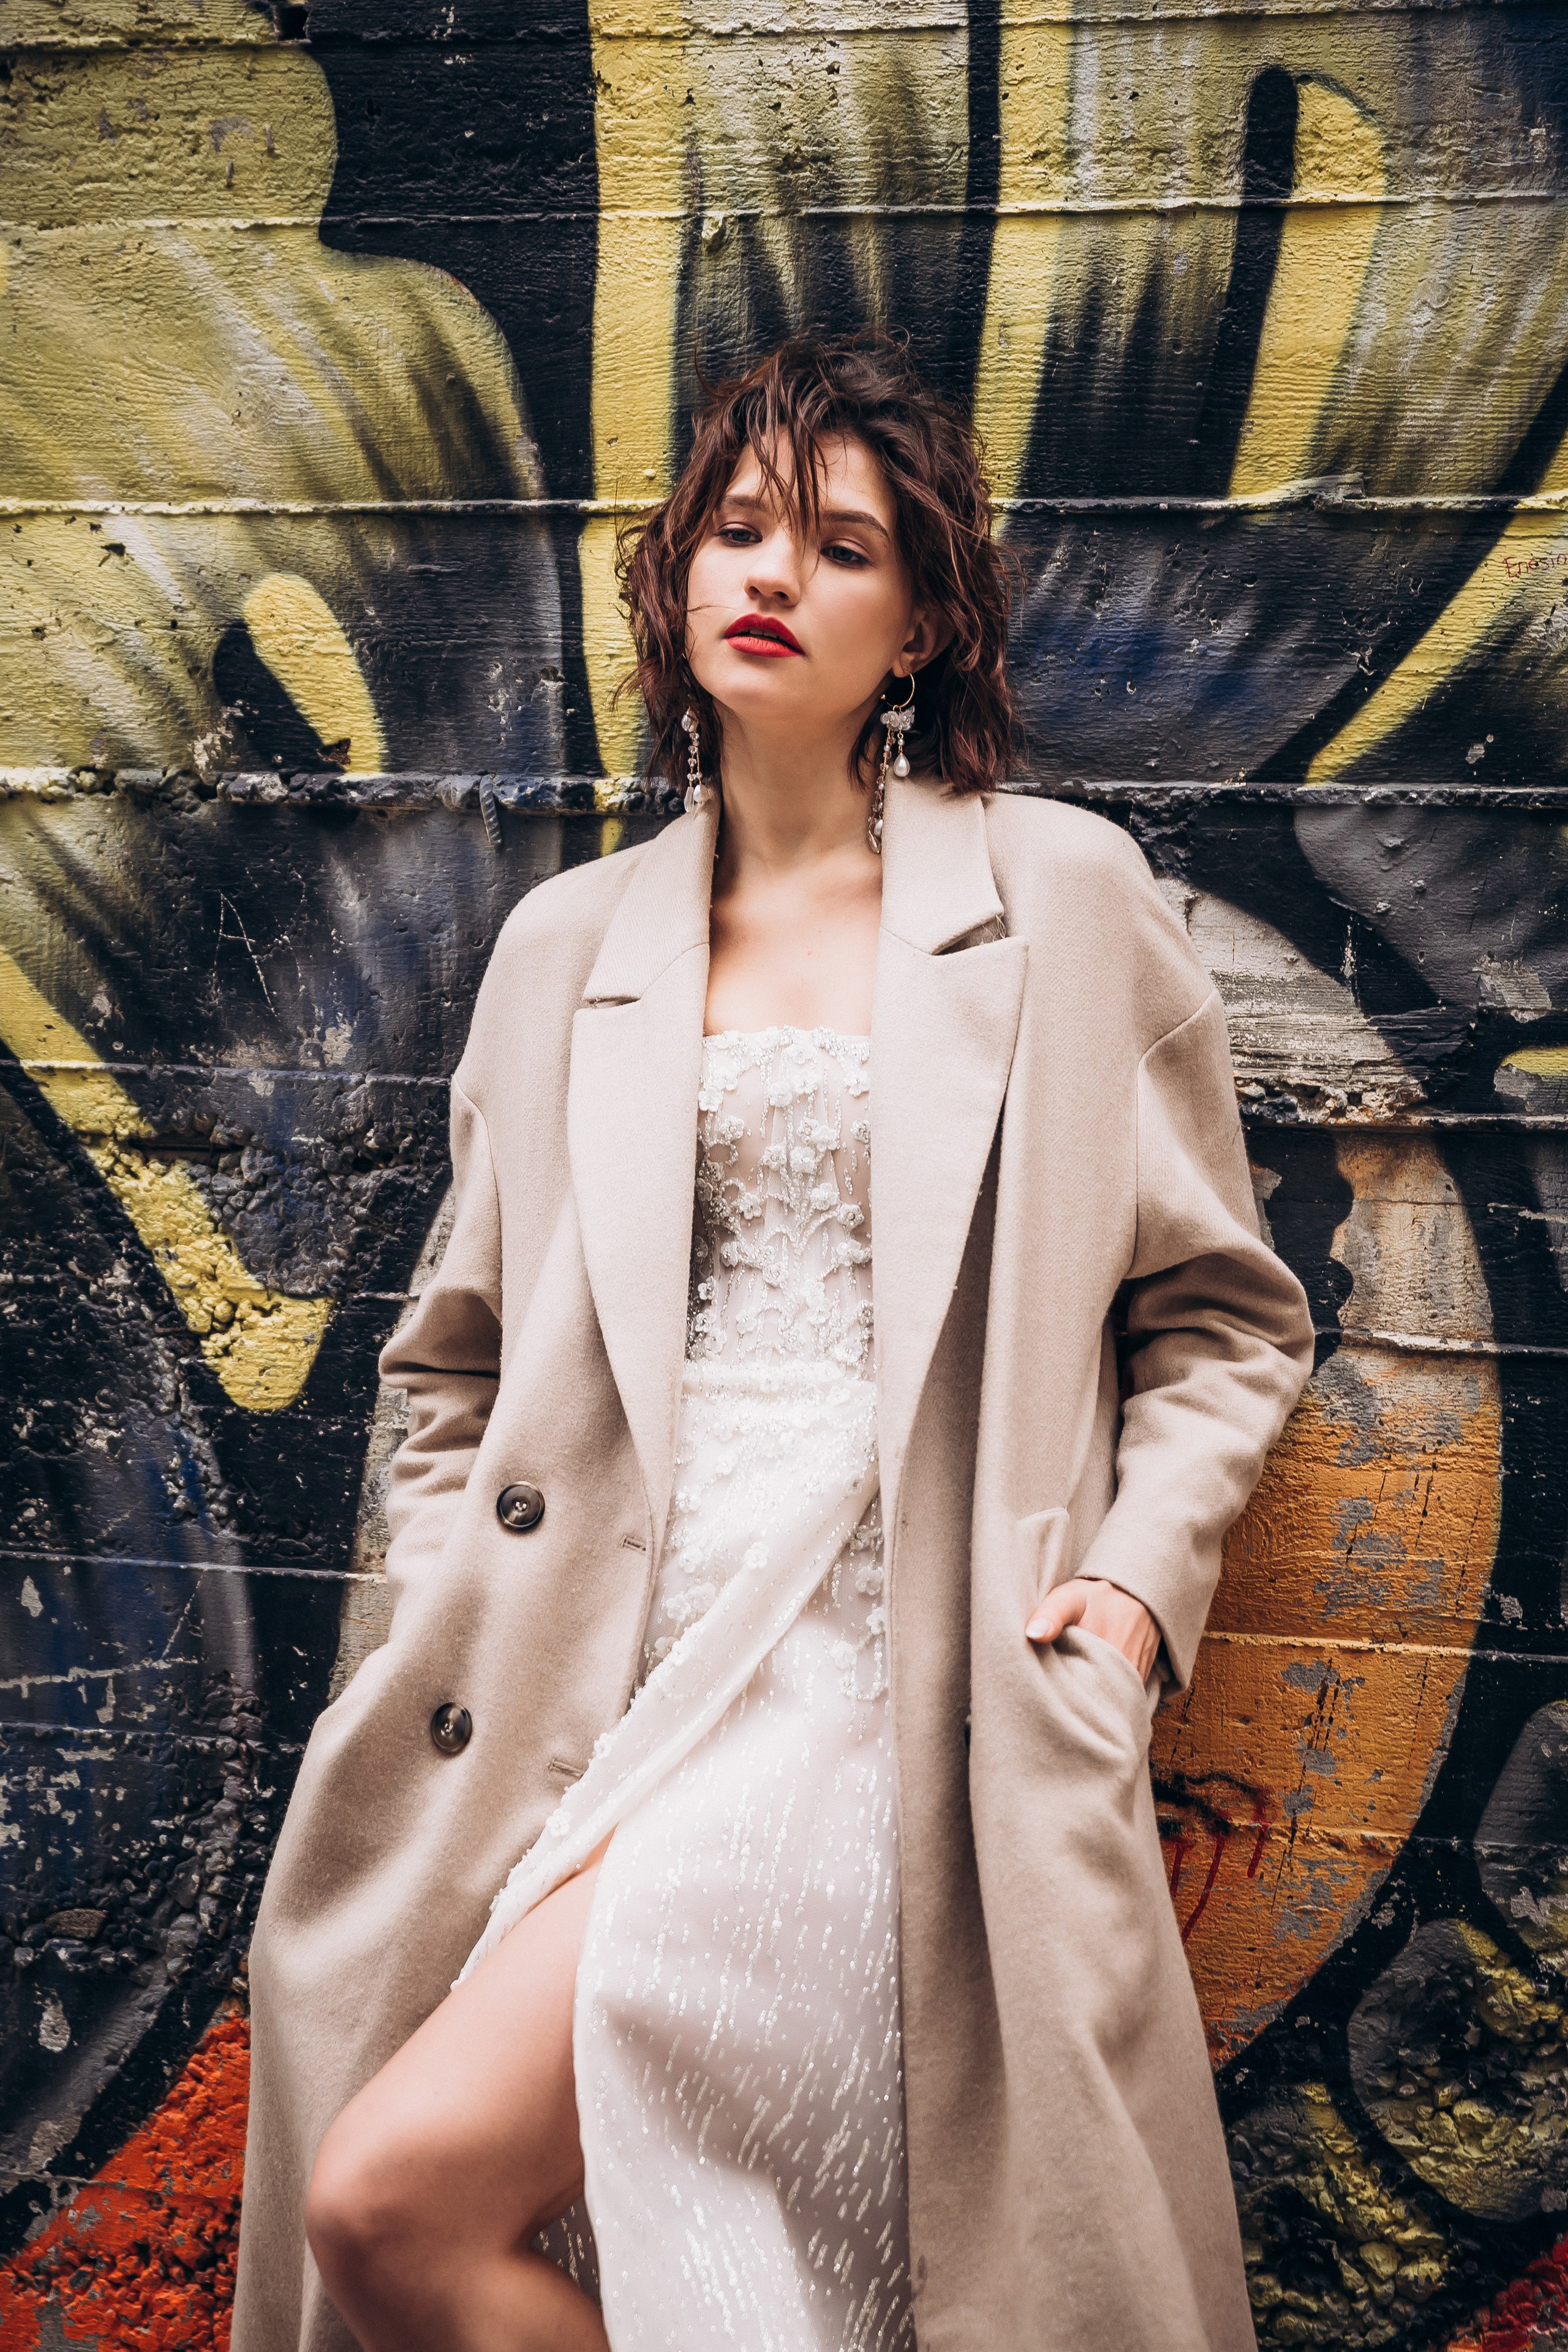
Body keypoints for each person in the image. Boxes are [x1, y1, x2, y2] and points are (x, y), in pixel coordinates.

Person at [233, 333, 1314, 2352]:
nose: (772, 576)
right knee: (450, 2229)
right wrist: (450, 1602)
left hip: (894, 1682)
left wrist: (1128, 1604)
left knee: (393, 2202)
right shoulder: (571, 947)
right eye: (736, 530)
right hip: (592, 1673)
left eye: (839, 545)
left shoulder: (1063, 901)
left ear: (917, 623)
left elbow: (1226, 1318)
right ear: (674, 578)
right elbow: (450, 1365)